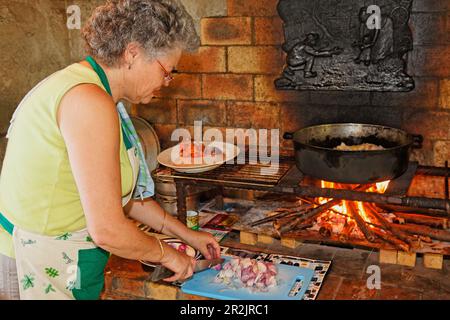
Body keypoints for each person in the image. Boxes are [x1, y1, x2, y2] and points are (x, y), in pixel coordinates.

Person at [0, 0, 221, 300]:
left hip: (63, 252)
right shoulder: (89, 102)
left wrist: (186, 234)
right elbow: (107, 228)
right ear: (133, 53)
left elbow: (121, 198)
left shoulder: (99, 93)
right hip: (35, 259)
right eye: (167, 71)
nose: (167, 82)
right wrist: (167, 254)